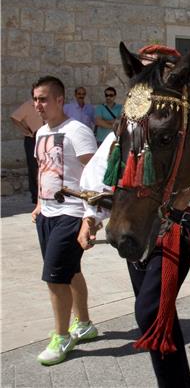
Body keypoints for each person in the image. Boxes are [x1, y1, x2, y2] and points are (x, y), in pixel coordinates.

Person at [78, 44, 190, 388]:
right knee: (159, 316)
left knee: (149, 312)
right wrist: (90, 217)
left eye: (156, 69)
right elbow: (102, 165)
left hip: (176, 225)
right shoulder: (132, 120)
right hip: (135, 222)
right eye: (143, 70)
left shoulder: (186, 119)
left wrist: (188, 196)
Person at [30, 76, 99, 366]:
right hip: (46, 213)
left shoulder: (77, 131)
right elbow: (42, 167)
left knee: (54, 278)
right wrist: (37, 204)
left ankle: (61, 337)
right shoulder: (40, 132)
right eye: (35, 99)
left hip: (71, 213)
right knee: (70, 272)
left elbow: (96, 176)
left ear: (60, 100)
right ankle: (83, 324)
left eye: (43, 99)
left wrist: (90, 218)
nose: (38, 105)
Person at [10, 99, 44, 204]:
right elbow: (14, 117)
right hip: (32, 138)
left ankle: (45, 193)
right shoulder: (27, 105)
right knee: (33, 167)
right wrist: (25, 129)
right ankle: (35, 195)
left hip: (45, 136)